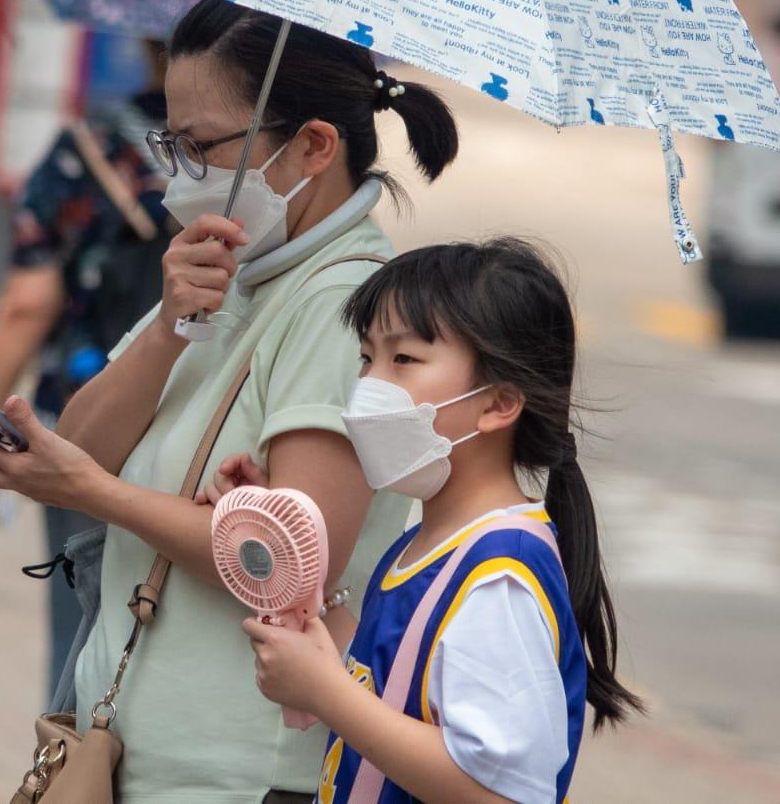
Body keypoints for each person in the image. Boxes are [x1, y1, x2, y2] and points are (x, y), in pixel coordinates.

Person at [0, 0, 460, 803]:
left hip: (233, 773)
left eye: (202, 148)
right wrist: (167, 326)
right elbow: (82, 444)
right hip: (134, 748)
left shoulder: (347, 304)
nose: (181, 175)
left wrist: (93, 495)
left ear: (312, 146)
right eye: (173, 144)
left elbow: (295, 558)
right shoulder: (234, 266)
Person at [220, 239, 639, 803]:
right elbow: (393, 677)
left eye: (404, 360)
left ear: (498, 404)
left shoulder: (499, 576)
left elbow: (503, 794)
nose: (370, 385)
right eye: (367, 358)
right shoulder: (423, 546)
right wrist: (289, 550)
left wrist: (323, 692)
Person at [0, 41, 172, 701]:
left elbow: (28, 300)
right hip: (198, 421)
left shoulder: (88, 147)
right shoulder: (248, 162)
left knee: (79, 632)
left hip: (83, 417)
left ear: (140, 41)